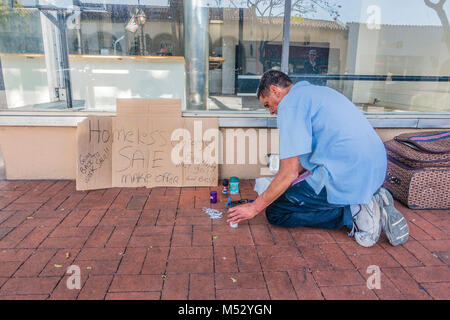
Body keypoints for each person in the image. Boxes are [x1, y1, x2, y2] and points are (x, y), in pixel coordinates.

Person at [227, 70, 409, 247]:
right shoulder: (318, 92)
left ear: (275, 90)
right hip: (375, 169)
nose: (271, 112)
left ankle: (354, 211)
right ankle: (371, 196)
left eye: (268, 105)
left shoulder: (289, 105)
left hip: (349, 174)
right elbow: (298, 165)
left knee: (277, 211)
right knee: (290, 191)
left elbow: (289, 172)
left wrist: (255, 207)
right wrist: (285, 183)